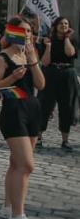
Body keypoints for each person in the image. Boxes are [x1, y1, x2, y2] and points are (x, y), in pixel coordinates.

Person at [0, 16, 47, 219]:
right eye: (22, 31)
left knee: (16, 164)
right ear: (11, 33)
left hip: (32, 109)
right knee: (26, 165)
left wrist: (33, 61)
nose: (27, 35)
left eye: (29, 31)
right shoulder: (3, 58)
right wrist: (12, 77)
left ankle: (8, 206)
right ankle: (17, 217)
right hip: (14, 112)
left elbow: (41, 84)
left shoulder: (30, 55)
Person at [38, 17, 77, 151]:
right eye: (61, 23)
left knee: (67, 107)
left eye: (66, 23)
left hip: (67, 75)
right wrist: (48, 46)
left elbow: (70, 53)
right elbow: (45, 62)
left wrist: (67, 38)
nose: (64, 25)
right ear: (55, 26)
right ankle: (38, 137)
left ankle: (65, 141)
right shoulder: (47, 41)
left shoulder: (72, 41)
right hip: (50, 74)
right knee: (45, 105)